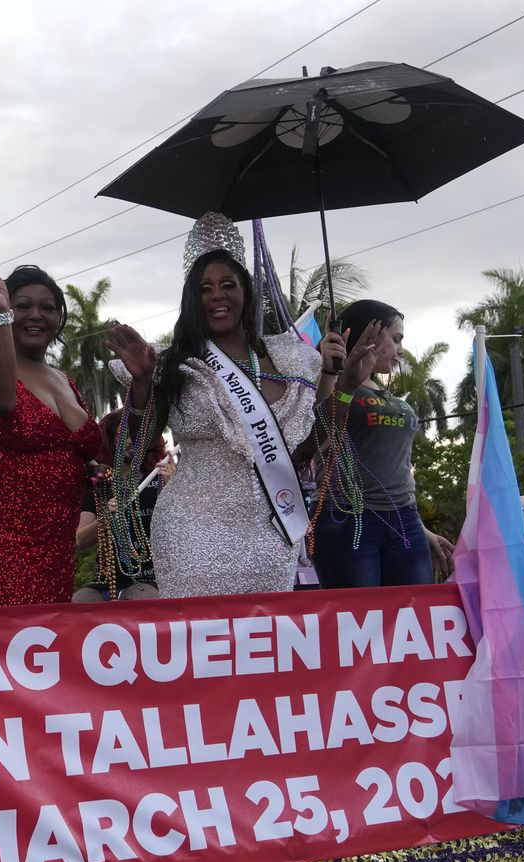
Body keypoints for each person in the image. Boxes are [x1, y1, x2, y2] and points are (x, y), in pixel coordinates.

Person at [107, 213, 379, 598]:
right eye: (204, 288)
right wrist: (141, 382)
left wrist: (346, 383)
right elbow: (142, 438)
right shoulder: (176, 362)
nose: (217, 294)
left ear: (246, 293)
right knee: (199, 648)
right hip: (191, 532)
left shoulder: (290, 359)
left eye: (227, 284)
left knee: (264, 649)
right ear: (192, 299)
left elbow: (304, 450)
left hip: (271, 531)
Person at [0, 262, 103, 605]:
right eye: (22, 305)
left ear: (60, 317)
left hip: (54, 546)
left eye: (47, 307)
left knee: (43, 647)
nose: (35, 315)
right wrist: (0, 314)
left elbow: (91, 451)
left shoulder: (65, 381)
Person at [309, 299, 455, 587]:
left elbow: (396, 466)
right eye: (396, 338)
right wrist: (332, 371)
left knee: (414, 617)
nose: (401, 350)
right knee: (360, 623)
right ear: (371, 334)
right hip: (348, 518)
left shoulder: (385, 392)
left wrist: (421, 529)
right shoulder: (331, 378)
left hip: (404, 518)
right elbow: (315, 431)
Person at [74, 409, 172, 602]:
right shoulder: (99, 484)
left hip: (151, 575)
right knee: (79, 604)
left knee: (145, 599)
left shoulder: (160, 478)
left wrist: (173, 487)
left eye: (135, 435)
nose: (130, 441)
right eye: (123, 435)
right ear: (110, 440)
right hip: (107, 580)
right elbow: (81, 540)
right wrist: (108, 518)